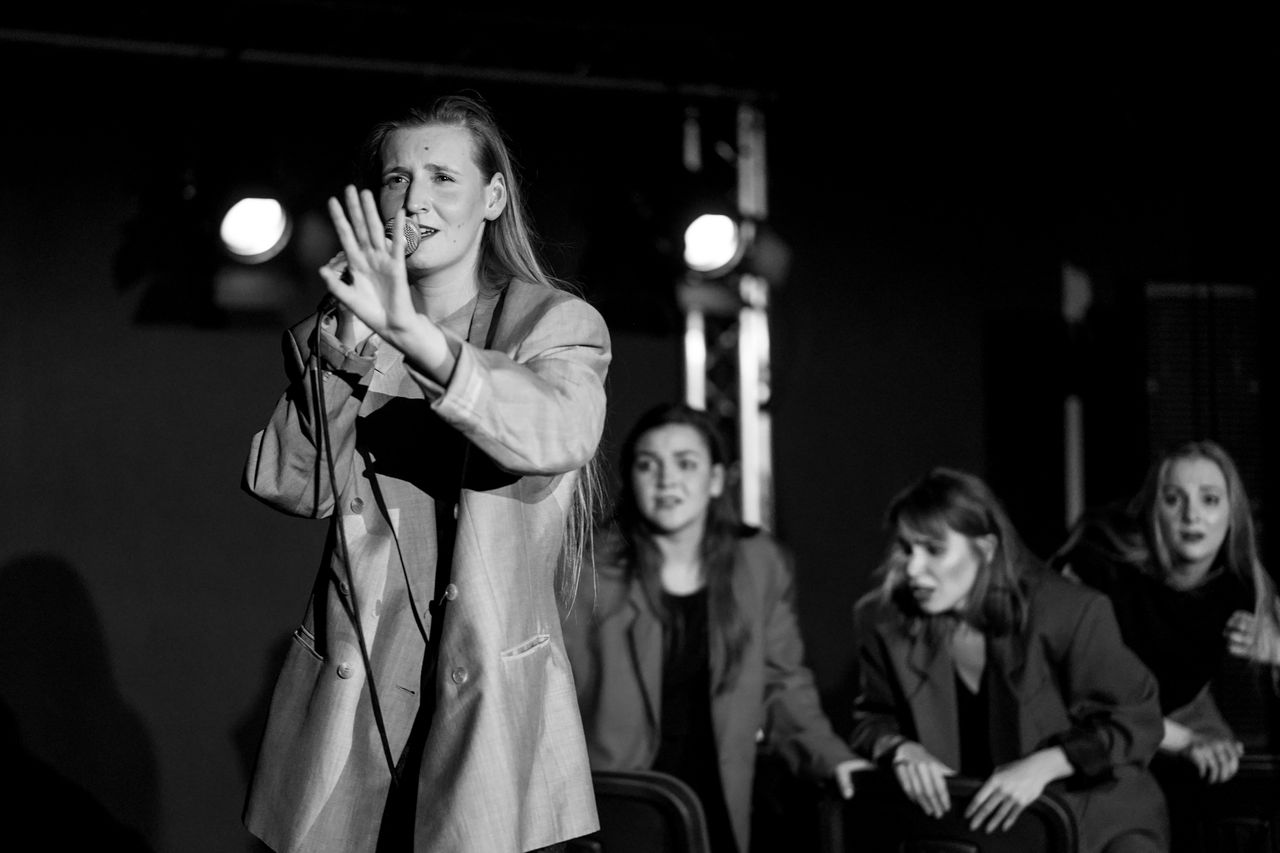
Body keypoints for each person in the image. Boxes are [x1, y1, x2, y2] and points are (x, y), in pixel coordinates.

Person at [241, 93, 609, 853]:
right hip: (357, 699)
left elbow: (556, 432)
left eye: (443, 177)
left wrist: (416, 336)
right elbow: (295, 485)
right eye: (396, 178)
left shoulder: (550, 323)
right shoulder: (333, 334)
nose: (414, 199)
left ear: (492, 197)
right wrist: (350, 341)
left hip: (489, 707)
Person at [562, 403, 863, 853]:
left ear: (717, 479)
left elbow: (783, 685)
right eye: (648, 465)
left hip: (717, 802)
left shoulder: (759, 562)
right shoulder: (587, 567)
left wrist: (833, 759)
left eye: (686, 463)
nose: (666, 480)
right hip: (621, 806)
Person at [851, 468, 1169, 853]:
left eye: (934, 550)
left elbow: (1137, 719)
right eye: (906, 549)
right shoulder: (884, 620)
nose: (913, 569)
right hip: (978, 832)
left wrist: (1047, 764)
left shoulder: (1070, 611)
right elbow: (871, 719)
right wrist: (901, 750)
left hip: (1095, 822)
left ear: (985, 549)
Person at [1050, 441, 1280, 846]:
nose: (1192, 515)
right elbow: (1079, 697)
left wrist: (1278, 654)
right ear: (1152, 509)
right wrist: (1185, 740)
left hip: (1168, 712)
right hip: (1081, 720)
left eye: (1210, 500)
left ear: (1233, 513)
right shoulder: (1100, 569)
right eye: (1174, 499)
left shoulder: (1242, 586)